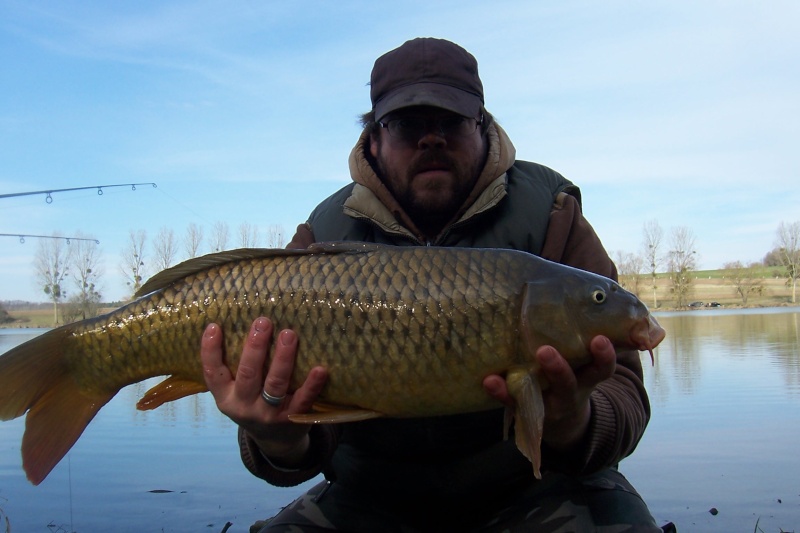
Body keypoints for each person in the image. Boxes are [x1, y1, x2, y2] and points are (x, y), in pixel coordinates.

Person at [200, 37, 668, 532]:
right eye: (406, 124)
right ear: (373, 140)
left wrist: (573, 421)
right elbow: (298, 448)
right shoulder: (323, 238)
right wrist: (276, 438)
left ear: (483, 128)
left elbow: (625, 395)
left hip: (535, 488)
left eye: (451, 121)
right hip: (371, 497)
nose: (432, 139)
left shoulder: (552, 218)